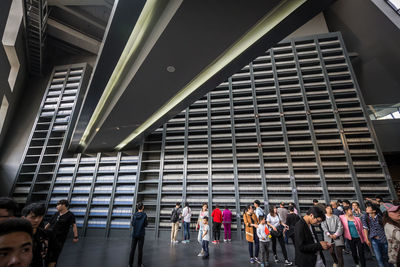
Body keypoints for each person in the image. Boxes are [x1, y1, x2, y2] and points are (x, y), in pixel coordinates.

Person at [362, 202, 388, 267]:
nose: (366, 208)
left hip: (384, 239)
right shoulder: (365, 217)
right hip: (374, 240)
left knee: (387, 257)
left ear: (374, 210)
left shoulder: (381, 217)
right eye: (366, 207)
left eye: (368, 207)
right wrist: (366, 239)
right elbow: (365, 228)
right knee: (379, 258)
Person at [128, 202, 148, 267]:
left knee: (132, 250)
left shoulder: (134, 215)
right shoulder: (145, 215)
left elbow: (133, 224)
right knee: (140, 250)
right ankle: (139, 264)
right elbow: (145, 224)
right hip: (141, 235)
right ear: (142, 207)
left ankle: (130, 264)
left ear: (137, 207)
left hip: (134, 234)